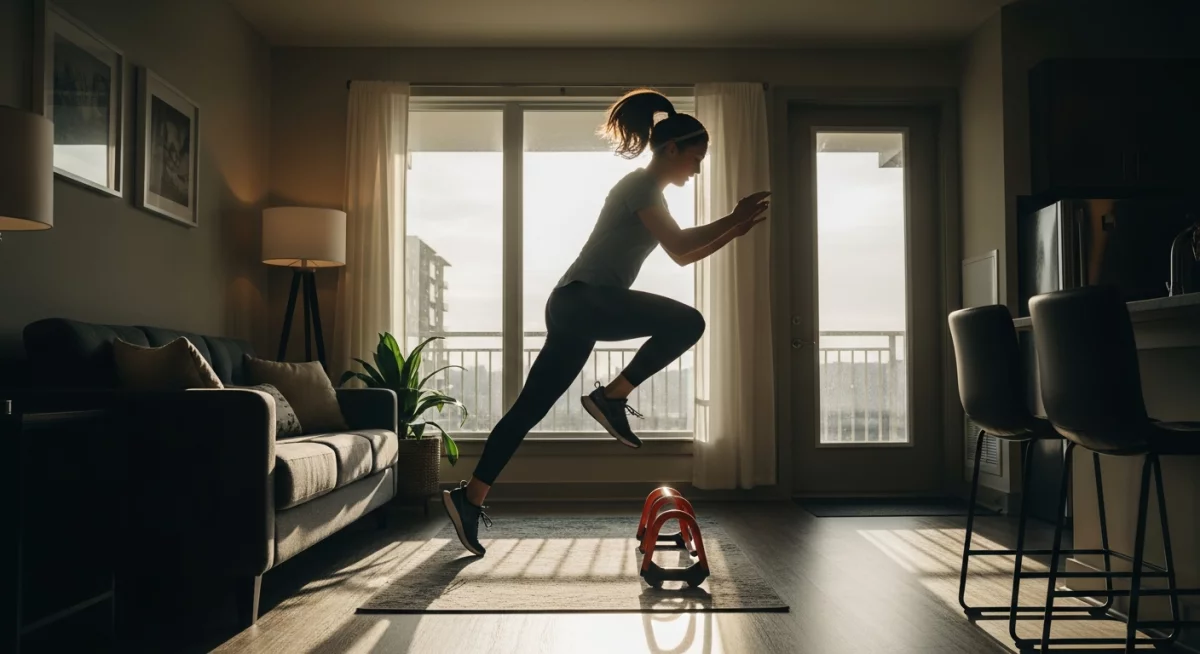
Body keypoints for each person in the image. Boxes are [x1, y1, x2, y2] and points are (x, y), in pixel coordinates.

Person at [442, 89, 770, 555]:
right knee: (689, 322)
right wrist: (731, 220)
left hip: (576, 306)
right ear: (671, 149)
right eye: (695, 158)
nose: (697, 169)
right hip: (586, 301)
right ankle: (610, 397)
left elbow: (682, 256)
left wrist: (734, 228)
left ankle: (470, 498)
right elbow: (679, 245)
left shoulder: (648, 192)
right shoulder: (640, 186)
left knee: (526, 412)